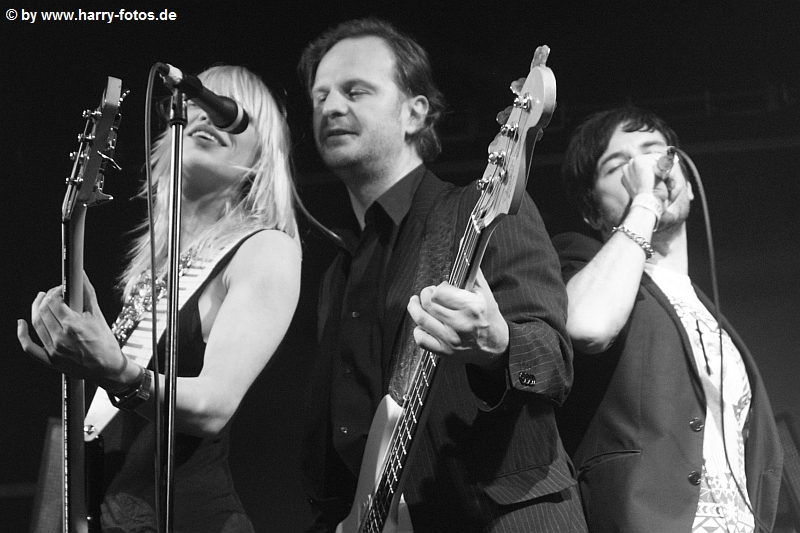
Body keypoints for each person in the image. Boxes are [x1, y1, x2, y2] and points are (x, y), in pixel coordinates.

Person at [298, 18, 587, 532]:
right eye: (320, 96)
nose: (331, 107)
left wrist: (498, 344)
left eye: (355, 91)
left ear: (416, 112)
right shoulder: (338, 275)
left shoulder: (480, 210)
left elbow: (555, 361)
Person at [17, 65, 302, 532]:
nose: (205, 114)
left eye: (226, 109)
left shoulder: (265, 248)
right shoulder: (158, 268)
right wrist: (83, 360)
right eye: (196, 104)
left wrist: (117, 371)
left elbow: (214, 405)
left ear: (262, 155)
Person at [553, 105, 783, 532]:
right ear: (592, 212)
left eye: (655, 152)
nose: (646, 168)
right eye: (619, 166)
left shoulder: (710, 315)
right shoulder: (578, 265)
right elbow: (587, 325)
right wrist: (645, 202)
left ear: (689, 186)